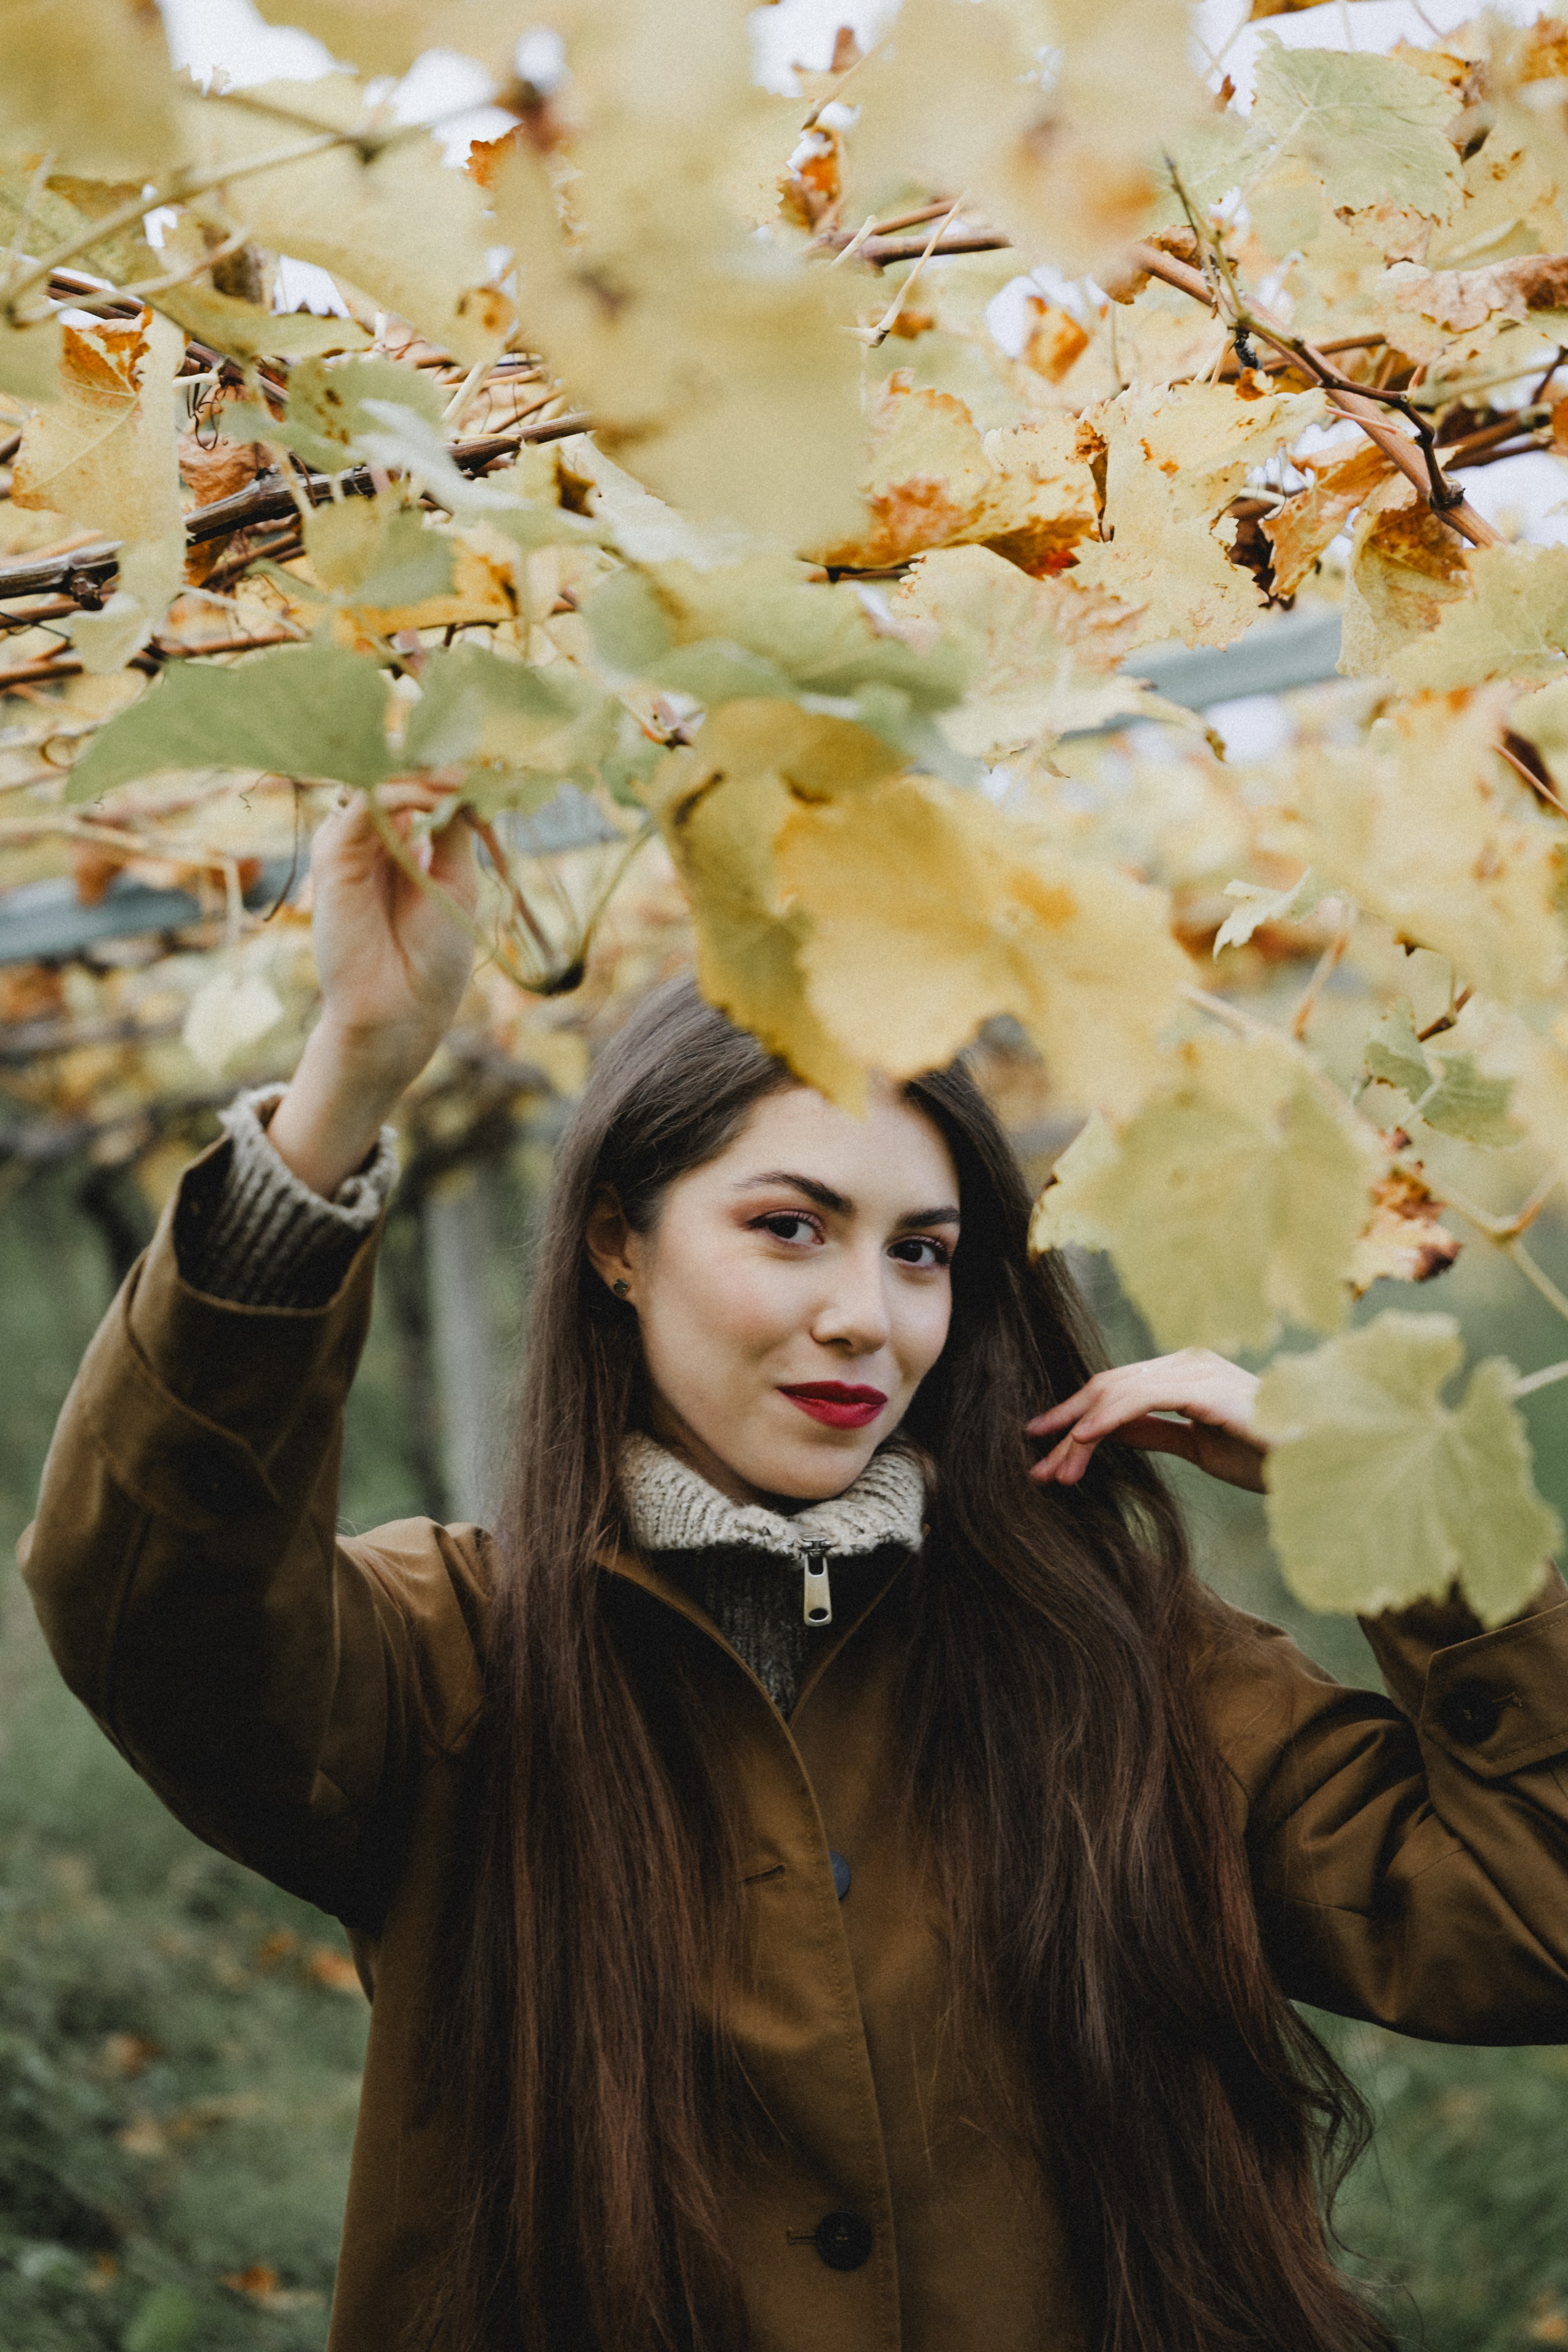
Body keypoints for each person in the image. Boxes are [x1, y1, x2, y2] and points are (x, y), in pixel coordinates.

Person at [20, 788, 1568, 2352]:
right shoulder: (452, 1661)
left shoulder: (1126, 1660)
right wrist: (347, 1076)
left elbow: (1532, 1917)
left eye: (917, 1250)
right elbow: (158, 1608)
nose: (864, 1316)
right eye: (788, 1226)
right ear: (619, 1244)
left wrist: (1403, 1505)